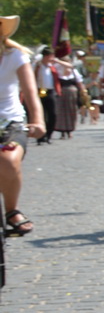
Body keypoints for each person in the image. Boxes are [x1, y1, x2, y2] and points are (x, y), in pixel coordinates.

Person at [0, 16, 46, 235]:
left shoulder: (14, 56)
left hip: (10, 121)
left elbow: (30, 93)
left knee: (8, 160)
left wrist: (38, 120)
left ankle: (11, 210)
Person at [33, 48, 57, 145]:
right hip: (40, 90)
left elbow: (70, 66)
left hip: (50, 91)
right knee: (41, 115)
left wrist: (57, 61)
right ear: (46, 56)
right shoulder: (37, 65)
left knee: (53, 114)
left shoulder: (52, 66)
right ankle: (40, 137)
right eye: (51, 56)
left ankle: (49, 135)